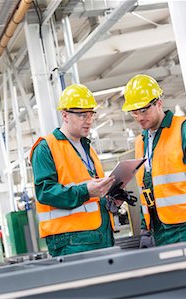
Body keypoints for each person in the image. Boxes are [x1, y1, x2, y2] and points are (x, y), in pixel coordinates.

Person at [30, 84, 134, 257]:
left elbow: (93, 193)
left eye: (91, 114)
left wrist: (110, 198)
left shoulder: (88, 149)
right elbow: (45, 192)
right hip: (71, 241)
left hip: (101, 234)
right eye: (82, 115)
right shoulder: (45, 147)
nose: (89, 120)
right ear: (65, 115)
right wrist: (85, 191)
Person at [122, 74, 186, 249]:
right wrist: (145, 229)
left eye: (144, 110)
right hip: (160, 231)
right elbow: (146, 189)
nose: (139, 117)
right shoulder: (141, 142)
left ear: (159, 103)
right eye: (134, 112)